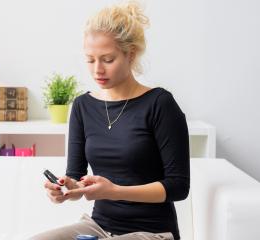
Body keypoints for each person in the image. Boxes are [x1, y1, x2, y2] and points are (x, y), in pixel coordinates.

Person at [29, 1, 189, 240]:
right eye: (90, 59)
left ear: (130, 54)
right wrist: (65, 189)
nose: (97, 70)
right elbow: (76, 177)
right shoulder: (83, 106)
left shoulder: (160, 104)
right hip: (99, 227)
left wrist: (115, 191)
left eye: (107, 59)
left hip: (152, 231)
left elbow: (178, 186)